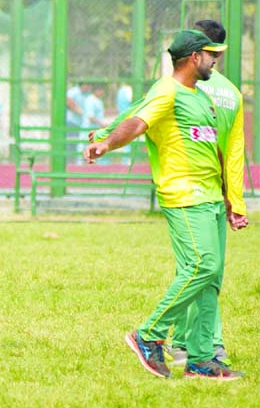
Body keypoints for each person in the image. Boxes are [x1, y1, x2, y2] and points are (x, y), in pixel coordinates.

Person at [85, 29, 243, 380]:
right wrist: (107, 143)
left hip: (212, 197)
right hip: (184, 196)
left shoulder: (202, 98)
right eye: (210, 53)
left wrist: (231, 197)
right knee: (201, 265)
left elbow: (216, 150)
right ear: (192, 58)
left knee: (210, 278)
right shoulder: (166, 91)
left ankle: (202, 360)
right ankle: (149, 335)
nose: (215, 59)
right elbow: (137, 122)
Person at [169, 20, 248, 366]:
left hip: (185, 193)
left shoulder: (180, 87)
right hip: (216, 195)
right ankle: (190, 342)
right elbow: (234, 154)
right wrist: (237, 203)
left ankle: (205, 344)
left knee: (196, 268)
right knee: (208, 270)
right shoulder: (232, 93)